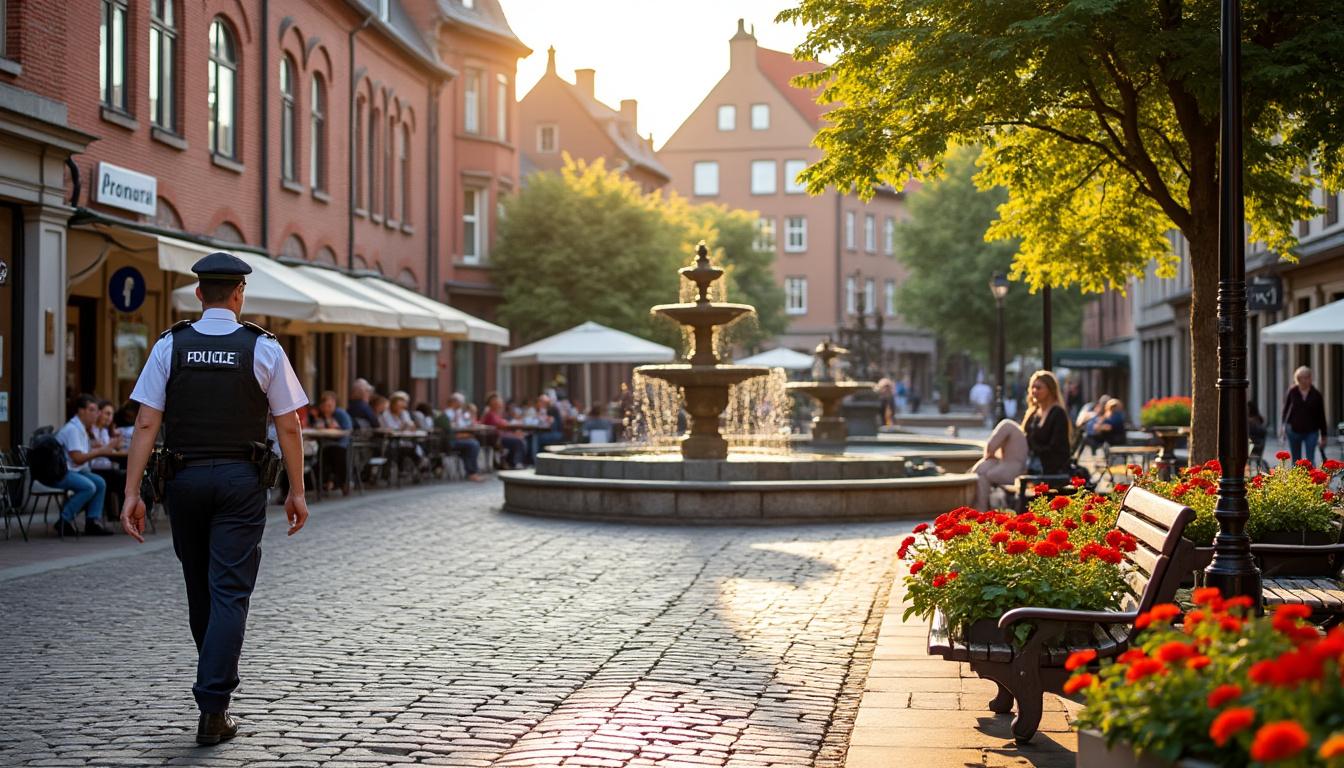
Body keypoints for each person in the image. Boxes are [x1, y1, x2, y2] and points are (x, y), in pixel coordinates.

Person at [119, 251, 308, 746]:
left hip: (182, 481)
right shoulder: (263, 348)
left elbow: (145, 422)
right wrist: (297, 491)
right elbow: (289, 424)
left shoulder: (170, 345)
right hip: (241, 483)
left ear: (200, 294)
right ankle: (213, 706)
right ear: (240, 294)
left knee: (200, 587)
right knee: (229, 591)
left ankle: (213, 690)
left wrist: (131, 492)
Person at [52, 394, 119, 536]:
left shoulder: (81, 428)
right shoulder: (73, 429)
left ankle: (92, 522)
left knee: (100, 482)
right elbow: (77, 458)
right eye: (92, 410)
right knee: (89, 486)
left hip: (74, 470)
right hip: (61, 472)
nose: (97, 414)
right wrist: (101, 451)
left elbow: (82, 455)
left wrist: (98, 448)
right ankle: (64, 520)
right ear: (81, 411)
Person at [971, 415, 1030, 510]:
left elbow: (990, 447)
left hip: (1012, 471)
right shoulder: (1015, 430)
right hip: (1019, 469)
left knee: (982, 475)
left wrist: (990, 458)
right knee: (982, 470)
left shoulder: (1006, 425)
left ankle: (981, 510)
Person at [1022, 370, 1072, 476]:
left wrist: (1032, 445)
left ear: (1050, 390)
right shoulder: (1033, 413)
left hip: (1046, 465)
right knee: (985, 468)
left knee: (1007, 426)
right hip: (1029, 459)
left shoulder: (1058, 413)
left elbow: (1056, 449)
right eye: (1032, 387)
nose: (1034, 391)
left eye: (1038, 388)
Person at [1280, 365, 1328, 463]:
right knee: (1296, 460)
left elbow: (1321, 415)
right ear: (1298, 379)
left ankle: (1311, 478)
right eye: (1303, 377)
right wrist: (1283, 427)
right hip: (1293, 430)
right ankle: (1297, 479)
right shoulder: (1292, 391)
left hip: (1311, 431)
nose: (1306, 380)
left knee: (1310, 460)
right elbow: (1285, 410)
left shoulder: (1316, 394)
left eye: (1308, 377)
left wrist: (1324, 435)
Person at [88, 399, 128, 518]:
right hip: (94, 468)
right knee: (123, 478)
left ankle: (120, 513)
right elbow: (106, 451)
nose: (110, 417)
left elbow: (110, 451)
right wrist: (112, 446)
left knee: (126, 476)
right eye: (107, 413)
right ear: (99, 412)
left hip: (105, 467)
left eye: (112, 414)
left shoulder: (105, 431)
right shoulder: (90, 429)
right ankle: (121, 514)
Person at [307, 390, 352, 494]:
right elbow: (313, 428)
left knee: (337, 452)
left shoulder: (340, 414)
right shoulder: (318, 414)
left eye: (330, 405)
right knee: (321, 454)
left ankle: (342, 483)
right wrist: (317, 418)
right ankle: (322, 483)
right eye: (325, 404)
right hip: (323, 443)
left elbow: (347, 430)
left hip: (340, 443)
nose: (327, 407)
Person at [434, 393, 484, 481]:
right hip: (450, 442)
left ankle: (470, 472)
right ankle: (472, 473)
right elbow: (449, 430)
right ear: (454, 402)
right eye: (461, 402)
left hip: (459, 438)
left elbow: (465, 425)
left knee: (471, 443)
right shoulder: (446, 414)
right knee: (473, 444)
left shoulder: (460, 413)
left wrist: (471, 419)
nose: (462, 404)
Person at [480, 392, 528, 468]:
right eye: (499, 403)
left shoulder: (497, 413)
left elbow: (503, 424)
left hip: (500, 436)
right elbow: (500, 425)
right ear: (493, 404)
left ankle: (511, 462)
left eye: (500, 402)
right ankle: (515, 462)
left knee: (521, 438)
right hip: (495, 439)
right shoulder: (490, 414)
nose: (501, 404)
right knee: (518, 441)